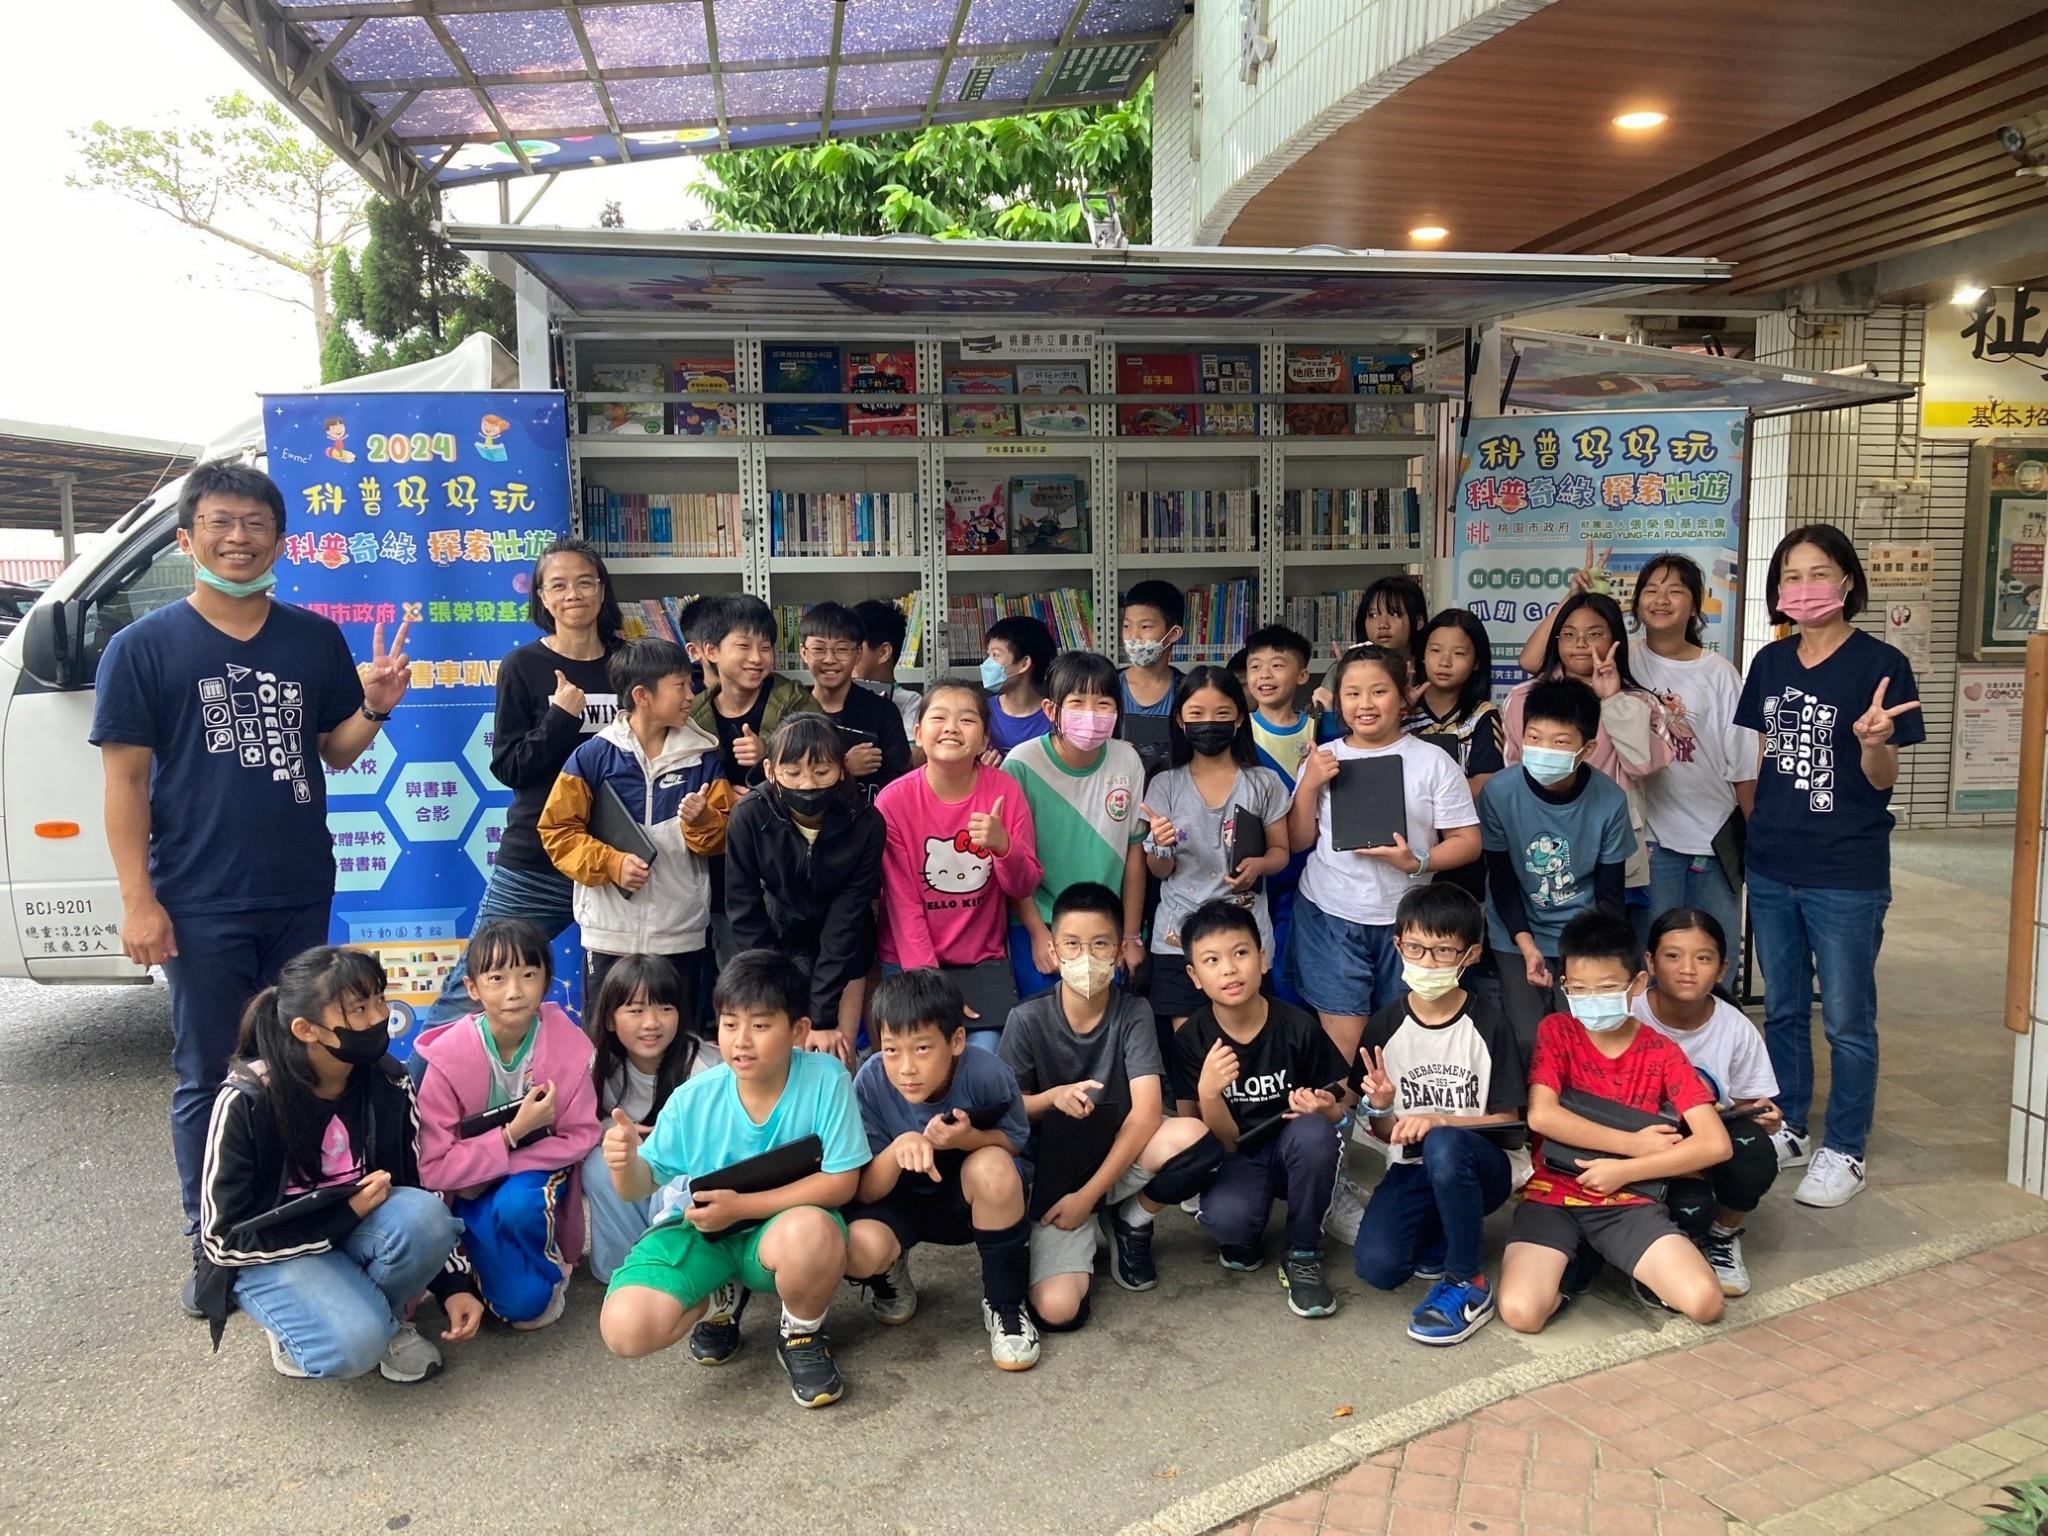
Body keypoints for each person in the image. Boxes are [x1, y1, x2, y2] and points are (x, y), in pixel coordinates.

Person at [89, 460, 414, 1308]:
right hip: (197, 897)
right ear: (186, 538)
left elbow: (335, 752)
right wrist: (138, 900)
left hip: (299, 888)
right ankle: (214, 1240)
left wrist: (376, 706)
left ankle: (298, 1213)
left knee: (303, 1061)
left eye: (256, 524)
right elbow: (124, 783)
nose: (239, 538)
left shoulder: (312, 638)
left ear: (280, 540)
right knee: (209, 1071)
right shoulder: (143, 647)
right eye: (221, 523)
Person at [1735, 523, 1923, 1208]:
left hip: (1846, 869)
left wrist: (1874, 740)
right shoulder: (1770, 662)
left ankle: (1845, 1148)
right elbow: (1766, 759)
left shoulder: (1881, 664)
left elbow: (1882, 780)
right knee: (1784, 1007)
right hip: (1773, 863)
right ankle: (1789, 1124)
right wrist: (1758, 834)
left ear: (1847, 581)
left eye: (1818, 573)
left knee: (1846, 1017)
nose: (1804, 587)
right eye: (1791, 576)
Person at [194, 946, 482, 1380]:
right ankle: (312, 1325)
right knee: (354, 1346)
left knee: (427, 1217)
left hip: (351, 1232)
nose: (380, 1017)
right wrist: (342, 1217)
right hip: (271, 1255)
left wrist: (454, 1286)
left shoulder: (389, 1081)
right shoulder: (247, 1099)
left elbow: (418, 1186)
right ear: (306, 1029)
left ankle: (376, 1317)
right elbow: (221, 1240)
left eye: (380, 1000)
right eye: (359, 1009)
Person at [597, 949, 867, 1410]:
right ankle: (718, 1300)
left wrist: (743, 1208)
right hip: (706, 1232)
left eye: (760, 1025)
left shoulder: (827, 1080)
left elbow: (842, 1181)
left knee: (812, 1230)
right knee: (626, 1329)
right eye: (729, 1024)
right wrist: (624, 1164)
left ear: (798, 1031)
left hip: (779, 1231)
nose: (741, 1041)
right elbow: (638, 1187)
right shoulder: (694, 1097)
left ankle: (801, 1333)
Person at [422, 536, 623, 1029]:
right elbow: (510, 767)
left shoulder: (630, 663)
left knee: (629, 996)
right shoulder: (524, 666)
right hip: (539, 860)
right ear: (542, 597)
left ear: (602, 591)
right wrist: (561, 718)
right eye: (559, 585)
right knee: (479, 983)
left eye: (585, 582)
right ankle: (422, 1078)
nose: (573, 594)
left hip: (620, 860)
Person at [1496, 910, 1729, 1334]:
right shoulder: (1558, 1031)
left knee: (1705, 1303)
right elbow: (1542, 1115)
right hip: (1552, 1196)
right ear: (1563, 984)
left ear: (1638, 983)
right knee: (1522, 1313)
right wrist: (1632, 1144)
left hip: (1628, 1201)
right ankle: (1580, 1268)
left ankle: (1603, 1255)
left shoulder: (1661, 1052)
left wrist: (1625, 1170)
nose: (1591, 999)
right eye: (1578, 988)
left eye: (1606, 988)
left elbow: (1716, 1144)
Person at [998, 881, 1218, 1329]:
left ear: (1119, 952)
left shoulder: (1133, 1012)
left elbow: (1148, 1112)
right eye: (1072, 944)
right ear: (1053, 950)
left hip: (1113, 1163)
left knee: (1194, 1138)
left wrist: (1090, 1197)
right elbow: (1007, 1110)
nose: (1086, 957)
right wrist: (1052, 1099)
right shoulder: (1027, 1018)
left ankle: (1129, 1219)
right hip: (1054, 1179)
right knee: (1057, 1311)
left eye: (1100, 944)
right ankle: (1073, 1236)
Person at [1350, 885, 1527, 1346]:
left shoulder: (1489, 1024)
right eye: (1415, 948)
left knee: (1443, 1143)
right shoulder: (1384, 1025)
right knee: (1379, 1268)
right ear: (1397, 946)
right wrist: (1382, 1107)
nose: (1427, 962)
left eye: (1443, 950)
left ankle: (1469, 1282)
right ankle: (1443, 1230)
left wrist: (1441, 1121)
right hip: (1412, 1168)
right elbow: (1386, 1131)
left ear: (1471, 954)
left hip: (1479, 1167)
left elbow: (1508, 1122)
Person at [1286, 645, 1481, 1058]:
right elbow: (1299, 841)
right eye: (1352, 693)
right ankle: (1350, 1102)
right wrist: (1308, 785)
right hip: (1330, 913)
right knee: (1347, 1047)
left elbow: (1467, 841)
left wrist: (1419, 862)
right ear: (1339, 701)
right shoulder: (1323, 759)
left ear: (1403, 697)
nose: (1365, 704)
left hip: (1410, 921)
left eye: (1379, 691)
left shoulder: (1432, 761)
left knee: (1404, 1040)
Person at [843, 970, 1039, 1370]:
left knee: (995, 1167)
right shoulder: (870, 1081)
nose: (906, 1068)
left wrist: (967, 1139)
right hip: (897, 1201)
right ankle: (889, 1274)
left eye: (921, 1048)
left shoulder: (986, 1072)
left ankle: (1005, 1304)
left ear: (957, 1040)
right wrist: (897, 1150)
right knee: (857, 1249)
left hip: (962, 1200)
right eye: (892, 1050)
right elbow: (863, 1191)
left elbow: (1015, 1141)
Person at [414, 918, 602, 1329]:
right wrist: (511, 1134)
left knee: (518, 1208)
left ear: (547, 980)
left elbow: (581, 1135)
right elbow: (434, 1166)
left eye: (528, 975)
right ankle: (479, 1265)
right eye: (497, 978)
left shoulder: (567, 1046)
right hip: (469, 1193)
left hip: (528, 1180)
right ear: (473, 988)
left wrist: (501, 1161)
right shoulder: (447, 1059)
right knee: (520, 1305)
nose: (515, 991)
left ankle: (551, 1265)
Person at [1172, 901, 1350, 1319]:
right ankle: (1247, 1231)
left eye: (1240, 953)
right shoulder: (1192, 1039)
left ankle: (1303, 1251)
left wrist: (1325, 1107)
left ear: (1263, 958)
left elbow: (1341, 1096)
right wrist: (1209, 1094)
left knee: (1314, 1134)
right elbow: (1208, 1139)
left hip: (1293, 1148)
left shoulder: (1296, 1025)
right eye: (1212, 960)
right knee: (1229, 1224)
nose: (1229, 970)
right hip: (1236, 1154)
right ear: (1195, 976)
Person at [538, 637, 733, 1002]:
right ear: (642, 695)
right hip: (608, 934)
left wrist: (703, 821)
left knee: (676, 1032)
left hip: (680, 935)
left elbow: (723, 838)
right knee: (607, 1033)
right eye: (679, 685)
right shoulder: (592, 757)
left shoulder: (703, 760)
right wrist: (612, 863)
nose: (690, 695)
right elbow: (557, 831)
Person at [876, 680, 1043, 1044]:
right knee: (923, 1059)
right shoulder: (893, 802)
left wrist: (1003, 846)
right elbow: (903, 905)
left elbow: (1023, 884)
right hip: (911, 962)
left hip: (982, 963)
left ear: (984, 740)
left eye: (967, 720)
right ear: (918, 732)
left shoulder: (1004, 791)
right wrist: (932, 986)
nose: (951, 727)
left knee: (986, 1059)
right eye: (939, 717)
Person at [1504, 590, 1675, 938]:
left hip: (1611, 855)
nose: (1580, 644)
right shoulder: (1523, 698)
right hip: (1542, 851)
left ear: (1614, 640)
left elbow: (1642, 764)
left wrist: (1612, 700)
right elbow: (1513, 775)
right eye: (1569, 634)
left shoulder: (1640, 702)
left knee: (1607, 950)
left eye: (1594, 633)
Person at [1478, 676, 1636, 1052]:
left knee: (1584, 1036)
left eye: (1560, 742)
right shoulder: (1498, 793)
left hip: (1582, 933)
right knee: (1527, 1038)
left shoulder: (1610, 800)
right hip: (1516, 933)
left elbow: (1610, 893)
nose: (1544, 749)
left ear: (1587, 748)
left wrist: (1595, 954)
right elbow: (1501, 879)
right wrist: (1527, 945)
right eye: (1534, 738)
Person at [1635, 909, 1780, 1299]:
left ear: (1722, 968)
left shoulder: (1735, 1027)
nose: (1687, 969)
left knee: (1754, 1150)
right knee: (1689, 1209)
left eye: (1703, 958)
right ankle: (1667, 1237)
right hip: (1641, 1138)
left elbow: (1750, 1101)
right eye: (1672, 956)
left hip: (1707, 1139)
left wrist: (1765, 1115)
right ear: (1650, 962)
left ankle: (1723, 1235)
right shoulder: (1628, 1014)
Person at [725, 714, 886, 1063]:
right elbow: (743, 907)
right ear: (770, 770)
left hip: (845, 948)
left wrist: (823, 1017)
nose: (808, 784)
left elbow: (849, 914)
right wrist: (775, 985)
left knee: (834, 1057)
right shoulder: (749, 816)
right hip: (777, 939)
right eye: (793, 772)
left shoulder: (866, 823)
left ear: (842, 769)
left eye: (821, 771)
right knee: (780, 1057)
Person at [1140, 666, 1292, 1027]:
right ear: (1180, 720)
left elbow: (1281, 852)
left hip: (1245, 936)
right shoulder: (1164, 784)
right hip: (1178, 937)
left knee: (1249, 1034)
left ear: (1239, 718)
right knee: (1190, 1041)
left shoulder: (1263, 782)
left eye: (1222, 713)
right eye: (1196, 713)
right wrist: (1160, 845)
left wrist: (1260, 866)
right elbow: (1159, 870)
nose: (1208, 723)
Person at [1629, 554, 1756, 986]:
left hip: (1714, 838)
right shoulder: (1623, 660)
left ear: (1695, 605)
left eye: (1675, 591)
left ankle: (1719, 1029)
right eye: (1651, 590)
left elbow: (1743, 762)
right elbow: (1539, 662)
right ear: (1637, 601)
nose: (1661, 599)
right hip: (1650, 840)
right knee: (1654, 961)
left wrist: (1754, 836)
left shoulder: (1718, 673)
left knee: (1714, 962)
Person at [1002, 650, 1150, 1002]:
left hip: (1106, 926)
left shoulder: (1127, 760)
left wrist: (1130, 936)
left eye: (1103, 704)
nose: (1091, 714)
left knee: (1103, 1019)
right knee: (1043, 1016)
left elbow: (1135, 853)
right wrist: (1038, 934)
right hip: (1041, 923)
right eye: (1077, 703)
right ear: (1051, 710)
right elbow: (1012, 861)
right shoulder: (1022, 764)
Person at [690, 594, 821, 967]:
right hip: (723, 865)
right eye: (744, 646)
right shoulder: (694, 713)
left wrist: (769, 753)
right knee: (739, 968)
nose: (757, 658)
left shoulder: (794, 701)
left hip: (785, 860)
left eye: (765, 647)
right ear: (711, 651)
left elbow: (823, 770)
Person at [580, 954, 719, 1285]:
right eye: (636, 1010)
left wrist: (662, 1142)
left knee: (676, 1172)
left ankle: (672, 1266)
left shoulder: (704, 1068)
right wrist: (612, 1132)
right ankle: (623, 1269)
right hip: (638, 1166)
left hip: (688, 1167)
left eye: (665, 1008)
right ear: (610, 1019)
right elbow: (581, 1123)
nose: (652, 1023)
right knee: (599, 1165)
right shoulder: (599, 1065)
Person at [1404, 609, 1505, 913]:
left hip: (1462, 847)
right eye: (1435, 650)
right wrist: (1397, 712)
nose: (1445, 662)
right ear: (1422, 656)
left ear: (1476, 662)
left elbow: (1486, 783)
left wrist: (1427, 798)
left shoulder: (1483, 716)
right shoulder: (1401, 711)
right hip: (1407, 840)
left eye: (1458, 653)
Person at [1243, 623, 1318, 1007]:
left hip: (1307, 867)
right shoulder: (1239, 731)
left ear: (1302, 675)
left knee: (1295, 960)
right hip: (1254, 866)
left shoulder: (1320, 730)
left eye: (1277, 665)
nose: (1265, 675)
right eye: (1256, 666)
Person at [800, 600, 911, 796]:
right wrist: (843, 768)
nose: (830, 659)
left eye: (842, 649)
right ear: (804, 652)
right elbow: (782, 778)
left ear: (858, 654)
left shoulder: (882, 712)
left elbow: (899, 784)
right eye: (818, 649)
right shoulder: (793, 710)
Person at [1311, 574, 1428, 721]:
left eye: (1394, 613)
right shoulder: (1343, 668)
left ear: (1418, 621)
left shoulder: (1431, 670)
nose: (1382, 624)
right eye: (1372, 615)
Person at [1119, 579, 1186, 775]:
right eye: (1126, 626)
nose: (1133, 637)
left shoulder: (1188, 691)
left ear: (1173, 633)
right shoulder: (1107, 686)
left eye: (1145, 627)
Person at [982, 614, 1056, 760]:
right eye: (988, 655)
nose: (987, 664)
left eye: (995, 655)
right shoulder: (982, 713)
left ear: (1024, 664)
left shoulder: (1055, 718)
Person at [852, 596, 924, 745]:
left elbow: (908, 755)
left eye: (855, 649)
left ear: (883, 653)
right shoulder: (840, 696)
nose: (845, 657)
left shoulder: (910, 702)